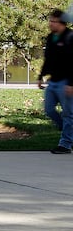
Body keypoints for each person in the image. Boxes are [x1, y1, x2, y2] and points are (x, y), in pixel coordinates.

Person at [37, 9, 73, 154]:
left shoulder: (70, 38)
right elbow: (48, 59)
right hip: (53, 81)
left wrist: (71, 83)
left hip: (67, 82)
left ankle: (65, 144)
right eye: (50, 21)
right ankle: (69, 132)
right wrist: (40, 76)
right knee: (49, 109)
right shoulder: (51, 38)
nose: (50, 24)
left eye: (53, 21)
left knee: (68, 114)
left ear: (62, 23)